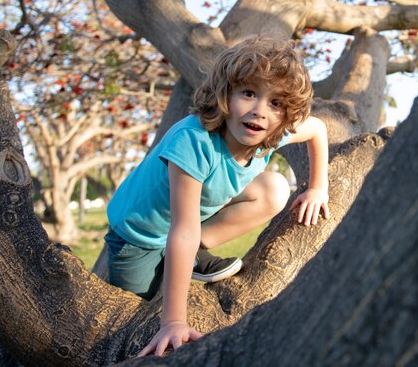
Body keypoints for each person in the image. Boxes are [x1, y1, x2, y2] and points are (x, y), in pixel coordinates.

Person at [104, 35, 330, 357]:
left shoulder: (267, 133)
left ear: (286, 113)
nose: (259, 111)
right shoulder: (194, 141)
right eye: (249, 93)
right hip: (138, 237)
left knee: (275, 188)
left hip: (192, 222)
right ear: (226, 94)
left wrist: (317, 187)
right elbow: (182, 229)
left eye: (276, 103)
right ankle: (173, 269)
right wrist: (173, 321)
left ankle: (191, 256)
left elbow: (318, 129)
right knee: (134, 322)